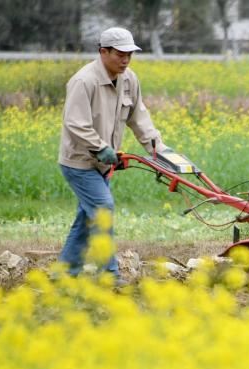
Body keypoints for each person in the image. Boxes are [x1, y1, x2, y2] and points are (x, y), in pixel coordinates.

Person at [58, 27, 164, 281]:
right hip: (80, 161)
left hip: (105, 163)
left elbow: (139, 117)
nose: (126, 59)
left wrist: (157, 150)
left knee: (87, 218)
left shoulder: (129, 79)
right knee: (103, 208)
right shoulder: (84, 81)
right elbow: (75, 123)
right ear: (103, 52)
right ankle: (111, 275)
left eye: (130, 54)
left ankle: (63, 273)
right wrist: (100, 147)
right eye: (120, 54)